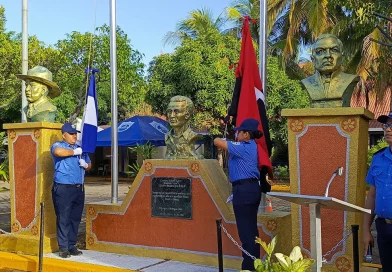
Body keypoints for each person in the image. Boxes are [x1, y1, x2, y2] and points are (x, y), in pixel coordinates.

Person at [214, 118, 262, 271]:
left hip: (244, 190)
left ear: (247, 135)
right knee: (251, 231)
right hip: (249, 188)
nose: (237, 135)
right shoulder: (249, 146)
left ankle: (249, 267)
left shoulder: (244, 147)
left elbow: (217, 141)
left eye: (239, 132)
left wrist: (220, 139)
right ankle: (255, 264)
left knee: (246, 233)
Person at [51, 122, 91, 258]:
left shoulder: (81, 148)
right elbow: (57, 153)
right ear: (64, 135)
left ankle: (71, 245)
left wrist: (85, 164)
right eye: (71, 134)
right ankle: (63, 248)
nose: (74, 136)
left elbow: (89, 164)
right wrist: (74, 152)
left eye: (75, 134)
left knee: (75, 218)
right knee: (63, 218)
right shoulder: (58, 146)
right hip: (63, 188)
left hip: (79, 188)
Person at [362, 112, 392, 271]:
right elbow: (372, 196)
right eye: (386, 125)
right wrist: (366, 229)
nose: (388, 129)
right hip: (384, 228)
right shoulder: (378, 158)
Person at [301, 34, 359, 108]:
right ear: (313, 59)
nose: (328, 55)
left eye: (334, 50)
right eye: (321, 51)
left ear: (341, 57)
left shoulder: (350, 80)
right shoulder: (307, 82)